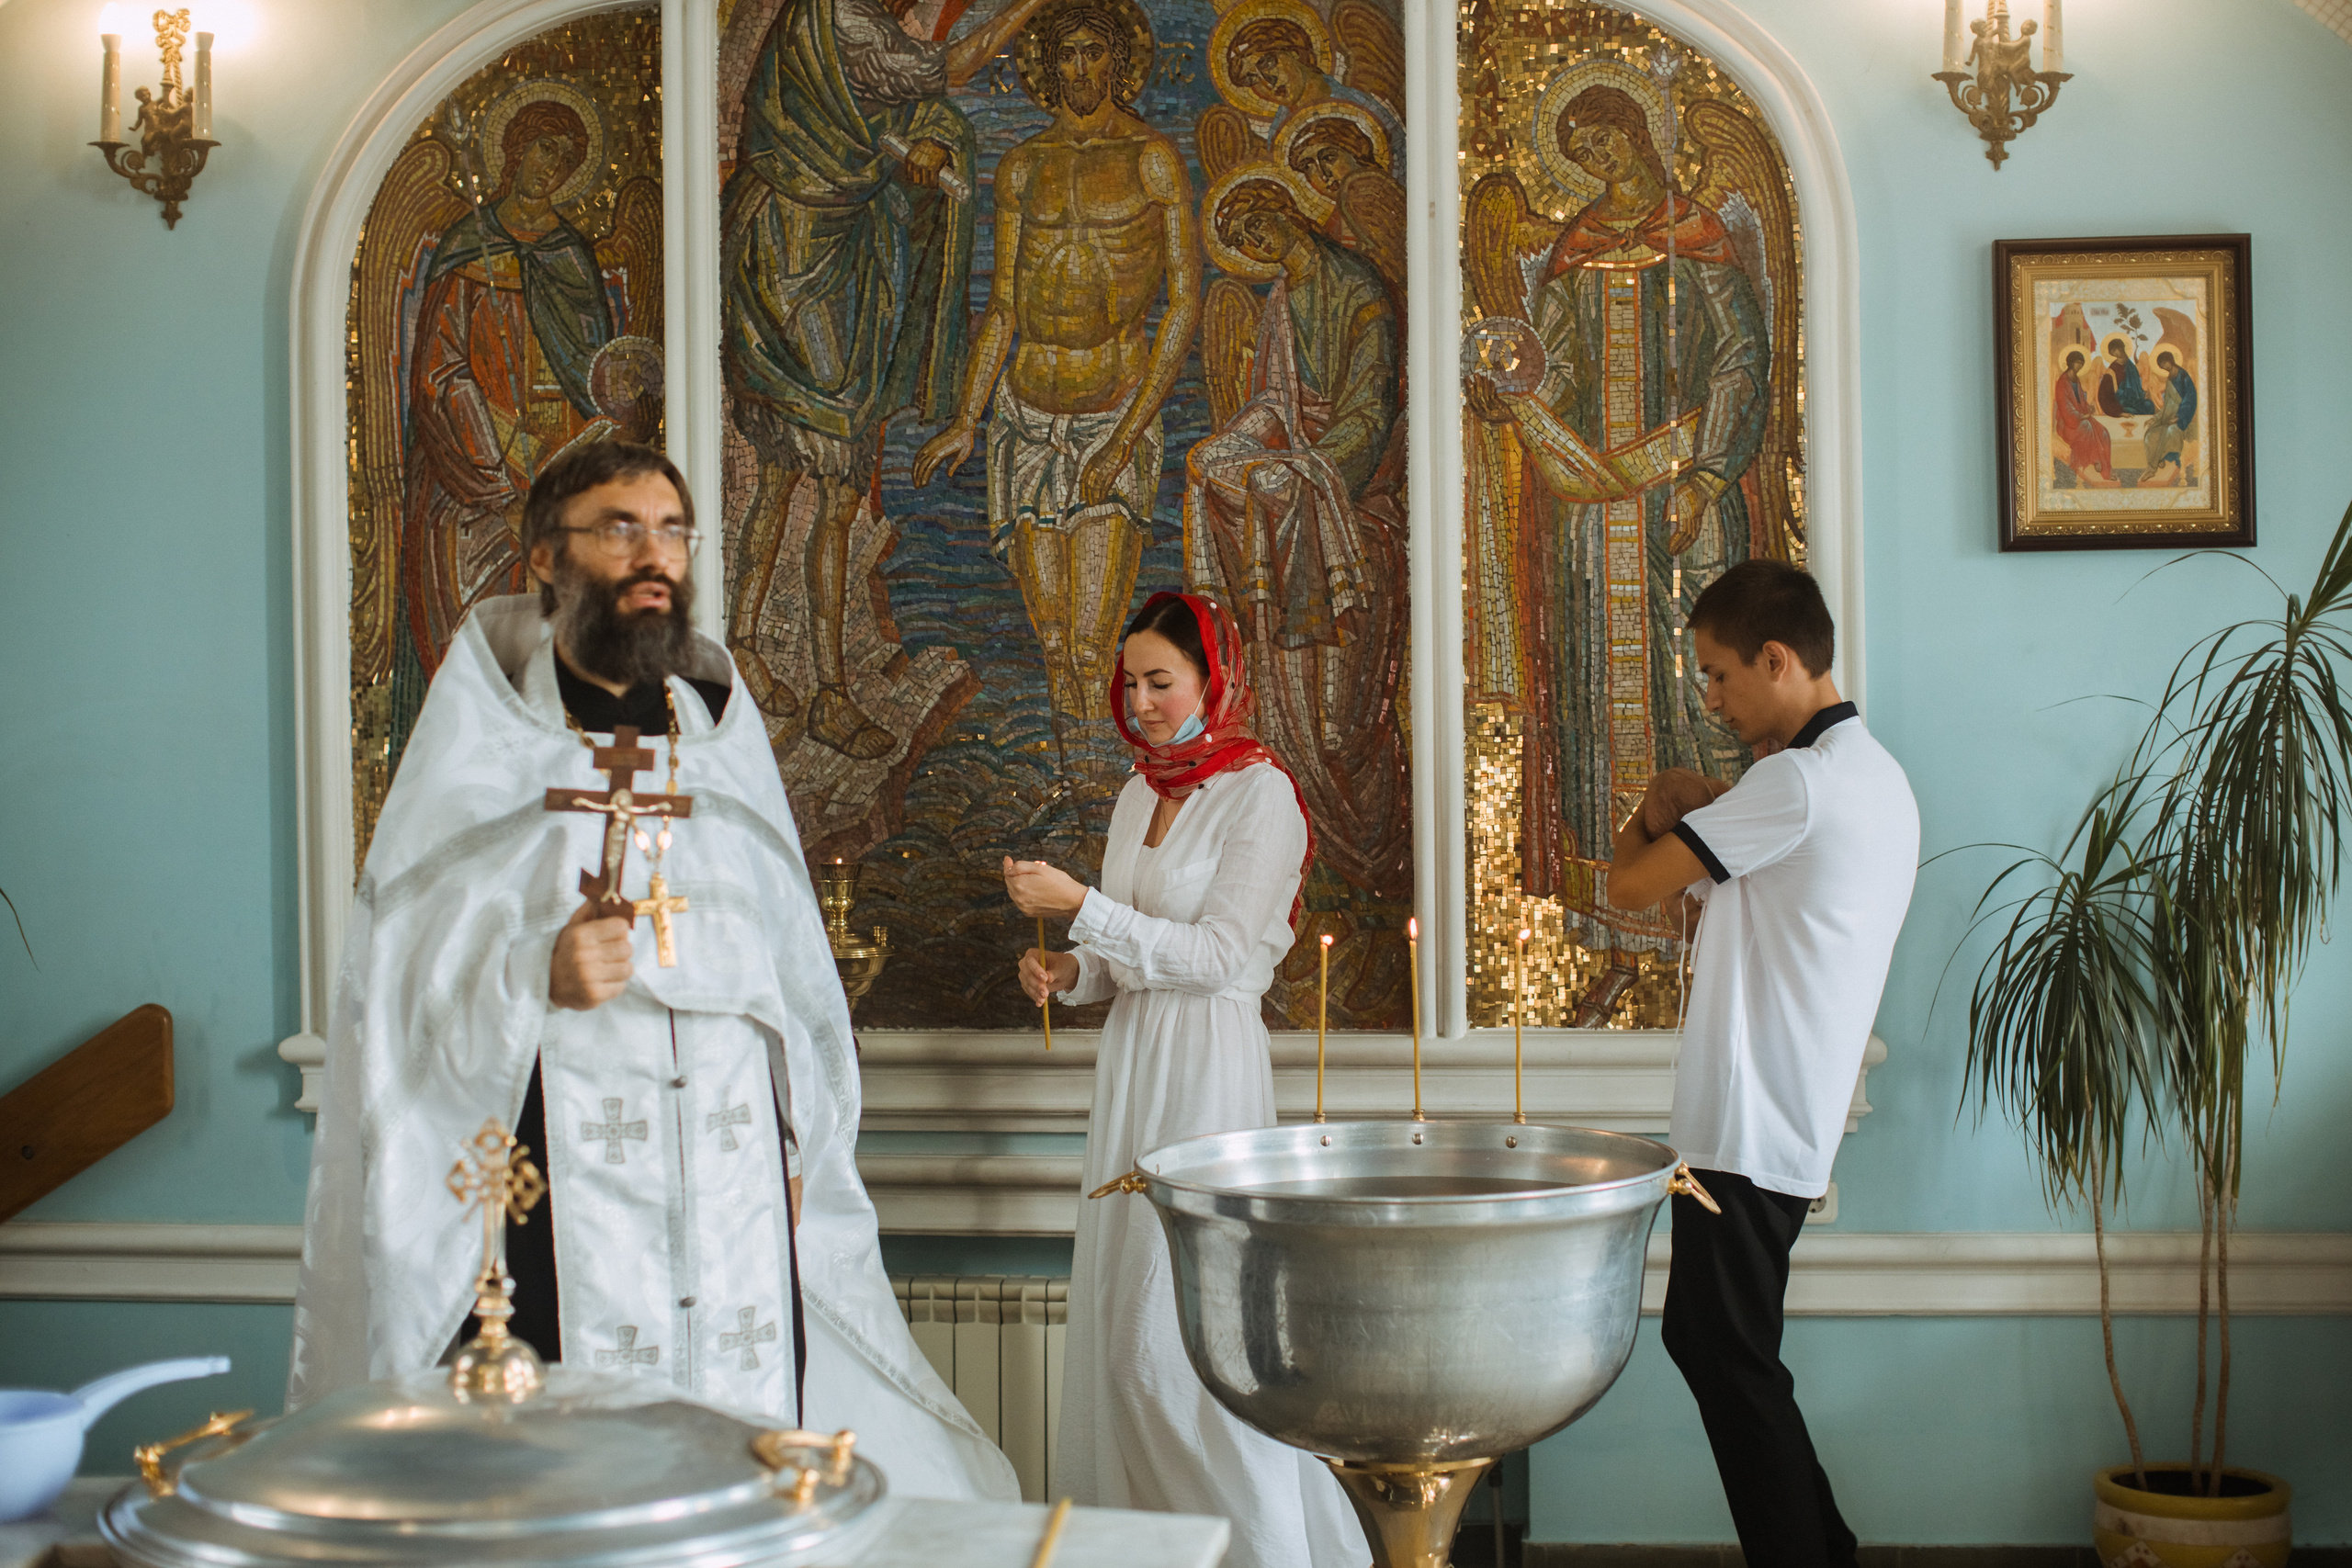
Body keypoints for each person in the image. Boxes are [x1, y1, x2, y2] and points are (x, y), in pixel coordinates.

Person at [288, 441, 1017, 1503]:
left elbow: (788, 965)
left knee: (736, 1440)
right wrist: (531, 969)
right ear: (546, 554)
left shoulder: (715, 726)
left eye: (671, 530)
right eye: (620, 528)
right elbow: (395, 981)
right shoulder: (487, 736)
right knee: (570, 1471)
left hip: (728, 1168)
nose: (655, 555)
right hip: (552, 1161)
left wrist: (797, 1136)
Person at [1001, 592, 1357, 1568]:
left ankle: (1272, 1554)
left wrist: (1081, 907)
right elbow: (1129, 956)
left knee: (1177, 1349)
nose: (1144, 701)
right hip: (1133, 1064)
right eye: (1131, 684)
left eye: (1162, 681)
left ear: (1215, 679)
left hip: (1207, 1066)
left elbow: (1213, 956)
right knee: (1121, 1334)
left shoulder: (1261, 795)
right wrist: (1070, 972)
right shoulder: (1134, 792)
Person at [1603, 560, 1917, 1568]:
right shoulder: (1873, 776)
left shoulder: (1795, 782)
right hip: (1784, 1116)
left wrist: (1657, 801)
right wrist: (1701, 804)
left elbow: (1630, 886)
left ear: (1776, 660)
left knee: (1724, 1355)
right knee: (1725, 1350)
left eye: (1717, 675)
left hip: (1743, 1124)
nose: (1711, 698)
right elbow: (1736, 897)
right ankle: (1822, 1547)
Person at [1465, 82, 1771, 1021]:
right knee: (1597, 708)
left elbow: (1740, 360)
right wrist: (1501, 382)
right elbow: (1544, 362)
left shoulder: (1702, 238)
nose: (1602, 162)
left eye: (1608, 140)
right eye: (1583, 149)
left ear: (1641, 134)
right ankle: (1618, 943)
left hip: (1683, 502)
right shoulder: (1573, 252)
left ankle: (1706, 927)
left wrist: (1708, 475)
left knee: (1695, 704)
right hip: (1591, 521)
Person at [722, 0, 1051, 759]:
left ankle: (751, 644)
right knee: (827, 489)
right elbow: (943, 70)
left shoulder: (838, 21)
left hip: (831, 254)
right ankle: (825, 690)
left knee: (794, 479)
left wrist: (931, 143)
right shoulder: (838, 18)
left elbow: (903, 111)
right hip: (800, 258)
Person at [912, 0, 1199, 736]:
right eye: (1065, 55)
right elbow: (1003, 307)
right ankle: (1078, 787)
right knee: (1052, 644)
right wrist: (967, 421)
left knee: (1096, 642)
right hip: (1025, 421)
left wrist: (1126, 437)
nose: (1079, 70)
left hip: (1112, 413)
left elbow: (1183, 307)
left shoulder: (1151, 160)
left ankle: (1110, 797)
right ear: (1046, 67)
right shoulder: (1022, 167)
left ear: (1118, 61)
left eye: (1092, 54)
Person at [1187, 175, 1408, 897]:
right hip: (1298, 465)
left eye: (1260, 224)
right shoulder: (1278, 302)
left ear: (1287, 209)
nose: (1258, 243)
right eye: (1245, 241)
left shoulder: (1358, 287)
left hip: (1354, 473)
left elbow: (1370, 406)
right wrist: (1236, 441)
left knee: (1338, 722)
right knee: (1212, 469)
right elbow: (1273, 404)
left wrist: (1312, 471)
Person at [2051, 347, 2115, 486]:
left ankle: (2105, 467)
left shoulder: (2076, 379)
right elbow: (2065, 408)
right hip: (2068, 423)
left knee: (2103, 432)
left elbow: (2080, 401)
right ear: (2070, 363)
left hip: (2080, 417)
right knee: (2086, 427)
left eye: (2081, 363)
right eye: (2077, 363)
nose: (2079, 366)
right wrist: (2081, 415)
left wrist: (2088, 407)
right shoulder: (2062, 382)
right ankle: (2095, 460)